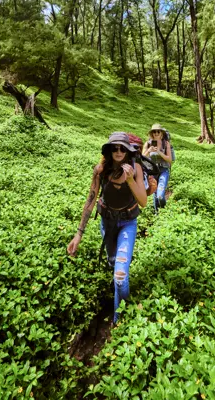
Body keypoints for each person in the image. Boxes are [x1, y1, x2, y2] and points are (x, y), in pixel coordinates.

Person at [67, 132, 147, 323]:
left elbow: (143, 201)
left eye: (122, 148)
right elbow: (91, 200)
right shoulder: (101, 170)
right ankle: (118, 304)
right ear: (109, 150)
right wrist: (78, 235)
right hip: (108, 223)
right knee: (114, 265)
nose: (118, 151)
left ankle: (118, 317)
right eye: (114, 148)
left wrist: (129, 180)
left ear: (127, 150)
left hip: (127, 223)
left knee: (120, 276)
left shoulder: (136, 169)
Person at [142, 124, 172, 212]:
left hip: (163, 170)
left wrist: (159, 152)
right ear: (152, 133)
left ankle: (163, 211)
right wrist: (148, 151)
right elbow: (140, 158)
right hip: (152, 171)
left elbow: (169, 160)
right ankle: (157, 214)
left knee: (160, 195)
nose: (156, 133)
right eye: (154, 131)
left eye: (158, 131)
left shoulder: (165, 144)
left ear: (161, 133)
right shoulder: (147, 144)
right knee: (155, 194)